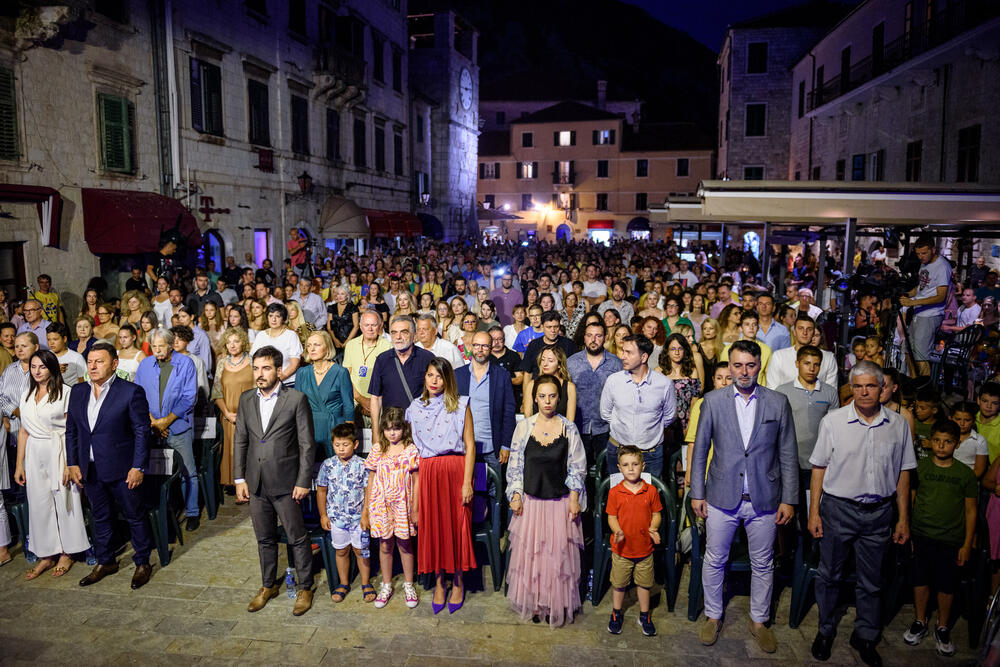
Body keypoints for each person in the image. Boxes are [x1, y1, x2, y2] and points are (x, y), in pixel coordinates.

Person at [690, 339, 798, 654]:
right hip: (721, 496)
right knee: (715, 559)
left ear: (759, 366)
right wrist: (697, 492)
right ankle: (713, 615)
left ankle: (759, 621)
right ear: (730, 365)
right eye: (737, 365)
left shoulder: (778, 402)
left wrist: (789, 499)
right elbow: (700, 450)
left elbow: (788, 453)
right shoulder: (713, 401)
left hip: (765, 498)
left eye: (750, 365)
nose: (744, 371)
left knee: (763, 563)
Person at [808, 361, 916, 666]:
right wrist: (814, 513)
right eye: (858, 386)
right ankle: (825, 631)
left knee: (872, 580)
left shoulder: (897, 424)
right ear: (851, 388)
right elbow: (819, 468)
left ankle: (865, 636)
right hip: (838, 510)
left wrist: (903, 518)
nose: (864, 392)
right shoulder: (833, 421)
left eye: (870, 386)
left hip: (879, 513)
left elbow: (904, 473)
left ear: (882, 388)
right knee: (829, 575)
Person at [234, 346, 316, 616]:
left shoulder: (296, 399)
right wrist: (239, 478)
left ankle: (305, 587)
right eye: (256, 368)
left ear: (279, 371)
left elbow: (306, 444)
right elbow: (241, 440)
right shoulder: (247, 399)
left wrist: (303, 481)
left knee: (297, 537)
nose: (260, 373)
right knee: (264, 538)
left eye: (266, 368)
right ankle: (268, 585)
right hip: (256, 482)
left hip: (286, 483)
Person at [65, 342, 154, 589]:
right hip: (90, 469)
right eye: (90, 361)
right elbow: (71, 430)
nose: (93, 366)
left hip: (123, 469)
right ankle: (105, 561)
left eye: (99, 361)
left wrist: (138, 467)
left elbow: (142, 431)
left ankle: (142, 562)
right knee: (100, 517)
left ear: (114, 364)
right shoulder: (78, 391)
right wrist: (72, 462)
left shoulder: (131, 392)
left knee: (135, 516)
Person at [506, 373, 587, 627]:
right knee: (533, 555)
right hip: (531, 503)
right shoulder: (524, 427)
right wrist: (516, 494)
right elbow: (515, 465)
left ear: (559, 398)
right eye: (542, 396)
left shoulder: (568, 428)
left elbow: (577, 467)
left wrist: (574, 498)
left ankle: (554, 603)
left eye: (552, 396)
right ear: (535, 399)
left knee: (556, 556)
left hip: (559, 503)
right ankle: (535, 602)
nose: (547, 401)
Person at [405, 357, 476, 613]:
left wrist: (467, 482)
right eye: (430, 375)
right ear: (424, 377)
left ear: (447, 380)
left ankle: (457, 581)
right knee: (433, 527)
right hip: (429, 472)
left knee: (457, 527)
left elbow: (470, 445)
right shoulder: (415, 408)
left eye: (440, 376)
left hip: (455, 470)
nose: (434, 381)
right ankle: (438, 582)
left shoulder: (461, 404)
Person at [901, 419, 976, 658]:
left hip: (951, 539)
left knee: (947, 584)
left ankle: (942, 626)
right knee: (920, 580)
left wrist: (967, 544)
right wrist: (908, 528)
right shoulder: (920, 468)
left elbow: (970, 511)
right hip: (922, 534)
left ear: (957, 444)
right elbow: (911, 499)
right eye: (937, 441)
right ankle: (920, 620)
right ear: (930, 441)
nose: (941, 446)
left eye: (948, 442)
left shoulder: (965, 474)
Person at [14, 350, 91, 579]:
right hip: (34, 451)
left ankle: (67, 553)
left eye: (42, 367)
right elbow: (23, 430)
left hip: (59, 450)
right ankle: (46, 554)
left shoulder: (65, 392)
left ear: (52, 368)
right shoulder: (26, 394)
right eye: (33, 367)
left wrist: (70, 463)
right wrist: (19, 464)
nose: (37, 371)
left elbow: (72, 431)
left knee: (64, 500)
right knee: (39, 503)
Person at [134, 328, 201, 530]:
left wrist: (166, 421)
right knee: (155, 473)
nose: (157, 350)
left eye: (161, 346)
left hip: (178, 426)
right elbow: (138, 395)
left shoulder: (186, 363)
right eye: (154, 346)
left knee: (188, 472)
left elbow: (189, 398)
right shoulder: (145, 364)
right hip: (152, 427)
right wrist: (154, 422)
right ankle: (163, 511)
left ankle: (192, 512)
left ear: (171, 345)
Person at [363, 407, 421, 609]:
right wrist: (366, 510)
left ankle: (409, 585)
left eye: (396, 428)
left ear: (404, 428)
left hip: (403, 506)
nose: (392, 433)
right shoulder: (377, 449)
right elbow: (371, 480)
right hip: (381, 506)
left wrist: (415, 508)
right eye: (388, 429)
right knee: (385, 545)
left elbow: (417, 480)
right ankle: (386, 585)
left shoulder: (411, 450)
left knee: (405, 544)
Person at [600, 334, 676, 478]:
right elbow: (605, 413)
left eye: (629, 352)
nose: (623, 356)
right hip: (618, 451)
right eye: (623, 351)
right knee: (618, 492)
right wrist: (624, 427)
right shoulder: (613, 381)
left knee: (649, 492)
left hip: (650, 455)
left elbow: (669, 416)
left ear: (643, 357)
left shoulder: (664, 384)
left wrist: (648, 430)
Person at [606, 445, 662, 637]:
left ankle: (644, 615)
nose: (631, 468)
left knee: (644, 584)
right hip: (622, 550)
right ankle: (616, 613)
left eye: (635, 464)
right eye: (626, 465)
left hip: (644, 549)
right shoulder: (615, 492)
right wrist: (617, 531)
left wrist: (654, 528)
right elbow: (611, 517)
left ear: (643, 466)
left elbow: (656, 514)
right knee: (619, 584)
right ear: (619, 468)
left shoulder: (651, 491)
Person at [317, 422, 374, 604]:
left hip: (358, 519)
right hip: (337, 519)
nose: (341, 449)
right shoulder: (327, 465)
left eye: (345, 444)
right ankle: (343, 583)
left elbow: (368, 491)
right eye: (337, 445)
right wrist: (323, 515)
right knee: (341, 551)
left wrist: (365, 515)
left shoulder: (363, 465)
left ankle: (365, 583)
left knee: (361, 550)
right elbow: (322, 490)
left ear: (355, 444)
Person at [775, 345, 839, 499]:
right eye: (807, 363)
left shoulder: (830, 393)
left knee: (814, 506)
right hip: (789, 463)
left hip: (819, 463)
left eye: (816, 364)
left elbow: (836, 431)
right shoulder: (782, 391)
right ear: (797, 364)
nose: (812, 369)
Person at [368, 314, 435, 446]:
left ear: (414, 335)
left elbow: (436, 397)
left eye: (404, 332)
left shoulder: (427, 358)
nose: (398, 337)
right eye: (394, 332)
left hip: (420, 430)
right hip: (391, 431)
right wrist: (375, 434)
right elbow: (375, 398)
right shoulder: (382, 360)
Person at [454, 331, 516, 471]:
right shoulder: (458, 375)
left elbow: (508, 412)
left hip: (492, 448)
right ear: (471, 347)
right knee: (467, 484)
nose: (480, 350)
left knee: (494, 485)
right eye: (476, 345)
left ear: (491, 348)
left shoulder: (502, 376)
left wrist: (506, 445)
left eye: (484, 346)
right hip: (464, 447)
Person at [568, 321, 622, 465]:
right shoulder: (571, 362)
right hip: (578, 427)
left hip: (606, 428)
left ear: (605, 337)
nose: (593, 339)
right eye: (589, 335)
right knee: (579, 472)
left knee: (605, 470)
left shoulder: (616, 364)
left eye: (598, 336)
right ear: (584, 337)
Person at [295, 331, 353, 460]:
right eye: (309, 345)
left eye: (317, 345)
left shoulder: (340, 372)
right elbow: (297, 406)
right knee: (307, 467)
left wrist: (348, 436)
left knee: (337, 468)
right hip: (309, 428)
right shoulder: (302, 373)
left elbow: (349, 406)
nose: (312, 349)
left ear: (327, 347)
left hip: (335, 429)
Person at [899, 236, 952, 376]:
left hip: (930, 315)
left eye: (924, 253)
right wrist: (908, 294)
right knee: (909, 352)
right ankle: (913, 383)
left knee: (921, 356)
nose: (920, 257)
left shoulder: (942, 266)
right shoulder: (924, 263)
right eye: (918, 254)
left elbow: (941, 296)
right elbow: (922, 287)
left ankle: (924, 387)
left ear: (933, 250)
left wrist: (913, 302)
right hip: (918, 313)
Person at [211, 327, 255, 493]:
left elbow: (258, 389)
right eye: (229, 342)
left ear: (243, 342)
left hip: (249, 416)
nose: (232, 345)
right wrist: (227, 413)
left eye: (236, 341)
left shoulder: (252, 361)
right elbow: (216, 392)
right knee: (230, 451)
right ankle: (234, 485)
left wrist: (246, 415)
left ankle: (248, 486)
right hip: (228, 416)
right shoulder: (222, 363)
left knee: (248, 451)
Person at [766, 314, 838, 390]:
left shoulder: (828, 358)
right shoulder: (779, 356)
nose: (805, 332)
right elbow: (772, 389)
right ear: (794, 332)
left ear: (813, 333)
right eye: (801, 328)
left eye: (809, 329)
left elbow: (831, 391)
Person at [250, 303, 303, 387]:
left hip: (287, 382)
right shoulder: (261, 335)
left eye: (277, 316)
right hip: (264, 383)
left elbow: (294, 364)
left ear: (283, 318)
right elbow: (253, 360)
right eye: (270, 316)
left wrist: (277, 380)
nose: (273, 319)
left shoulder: (291, 335)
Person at [523, 345, 577, 421]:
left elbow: (570, 420)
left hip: (561, 427)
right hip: (536, 427)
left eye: (550, 361)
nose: (545, 364)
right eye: (543, 360)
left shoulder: (569, 387)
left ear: (559, 364)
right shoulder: (532, 385)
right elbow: (528, 416)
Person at [521, 310, 577, 376]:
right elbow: (527, 372)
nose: (553, 330)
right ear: (542, 327)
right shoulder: (534, 345)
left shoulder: (569, 345)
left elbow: (575, 371)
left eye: (556, 327)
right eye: (549, 327)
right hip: (537, 381)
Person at [950, 401, 988, 478]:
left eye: (967, 420)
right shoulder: (944, 437)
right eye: (958, 419)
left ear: (973, 421)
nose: (962, 423)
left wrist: (962, 481)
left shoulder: (979, 440)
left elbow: (979, 471)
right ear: (950, 418)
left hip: (968, 480)